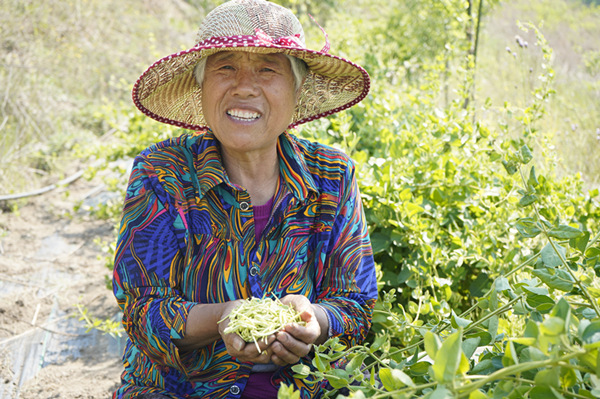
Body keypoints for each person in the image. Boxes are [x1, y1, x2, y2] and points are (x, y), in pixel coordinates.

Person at [112, 0, 377, 398]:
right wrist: (222, 317)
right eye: (225, 67)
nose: (245, 86)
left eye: (268, 69)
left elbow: (357, 303)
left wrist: (315, 320)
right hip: (181, 390)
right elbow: (140, 309)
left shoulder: (332, 177)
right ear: (201, 86)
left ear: (296, 88)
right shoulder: (161, 174)